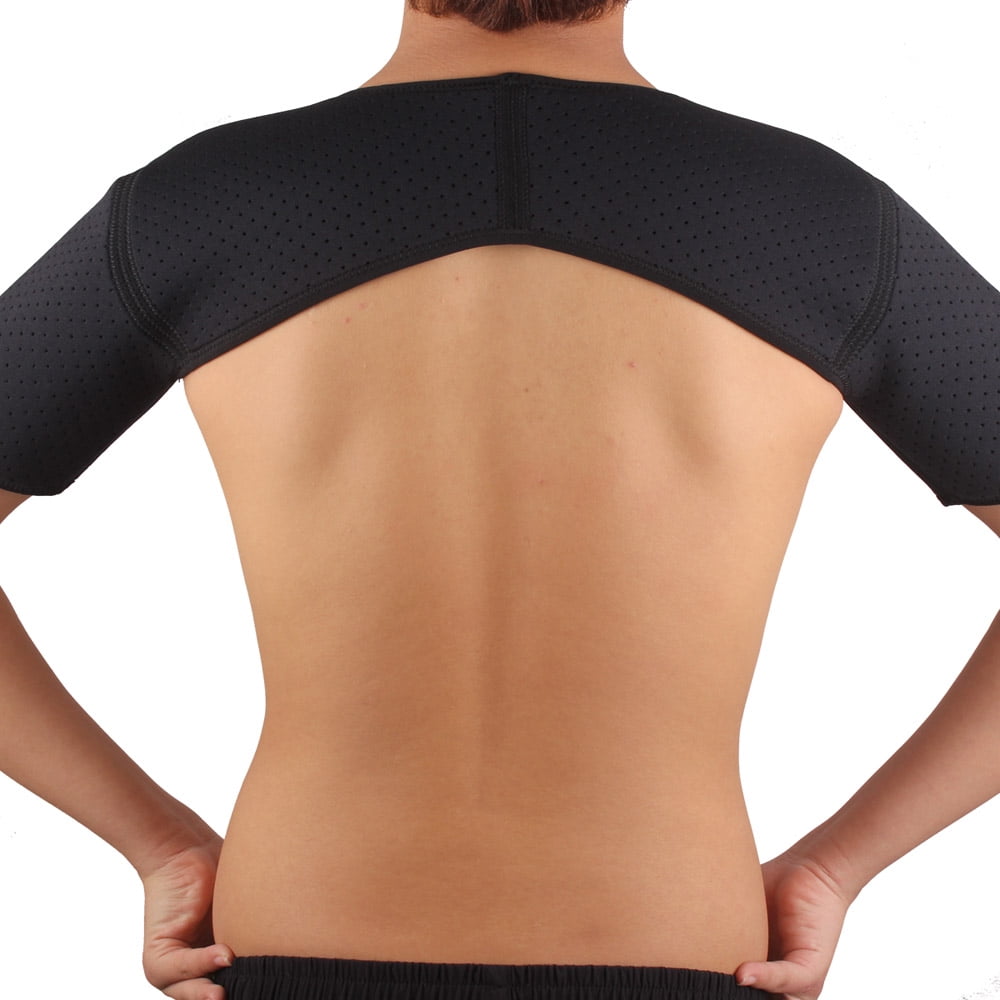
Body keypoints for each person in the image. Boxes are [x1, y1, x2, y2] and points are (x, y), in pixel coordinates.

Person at [0, 1, 997, 998]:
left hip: (295, 939)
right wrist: (835, 866)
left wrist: (160, 843)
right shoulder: (818, 219)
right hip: (673, 946)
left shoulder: (205, 203)